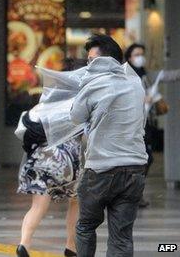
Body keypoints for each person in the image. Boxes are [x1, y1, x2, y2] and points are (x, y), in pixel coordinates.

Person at [70, 34, 148, 256]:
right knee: (122, 235)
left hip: (100, 171)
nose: (88, 64)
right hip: (134, 169)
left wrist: (85, 84)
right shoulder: (135, 83)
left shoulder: (93, 84)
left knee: (86, 226)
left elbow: (76, 116)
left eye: (91, 60)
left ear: (104, 61)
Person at [15, 59, 85, 257]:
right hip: (66, 161)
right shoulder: (81, 100)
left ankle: (24, 244)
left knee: (37, 206)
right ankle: (71, 247)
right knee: (75, 201)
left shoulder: (48, 100)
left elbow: (26, 127)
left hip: (39, 157)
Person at [125, 43, 180, 208]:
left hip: (145, 124)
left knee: (145, 158)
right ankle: (130, 194)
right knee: (137, 160)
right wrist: (142, 100)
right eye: (136, 54)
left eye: (142, 53)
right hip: (131, 124)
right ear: (129, 58)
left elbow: (166, 75)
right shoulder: (125, 76)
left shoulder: (146, 75)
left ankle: (134, 194)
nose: (140, 57)